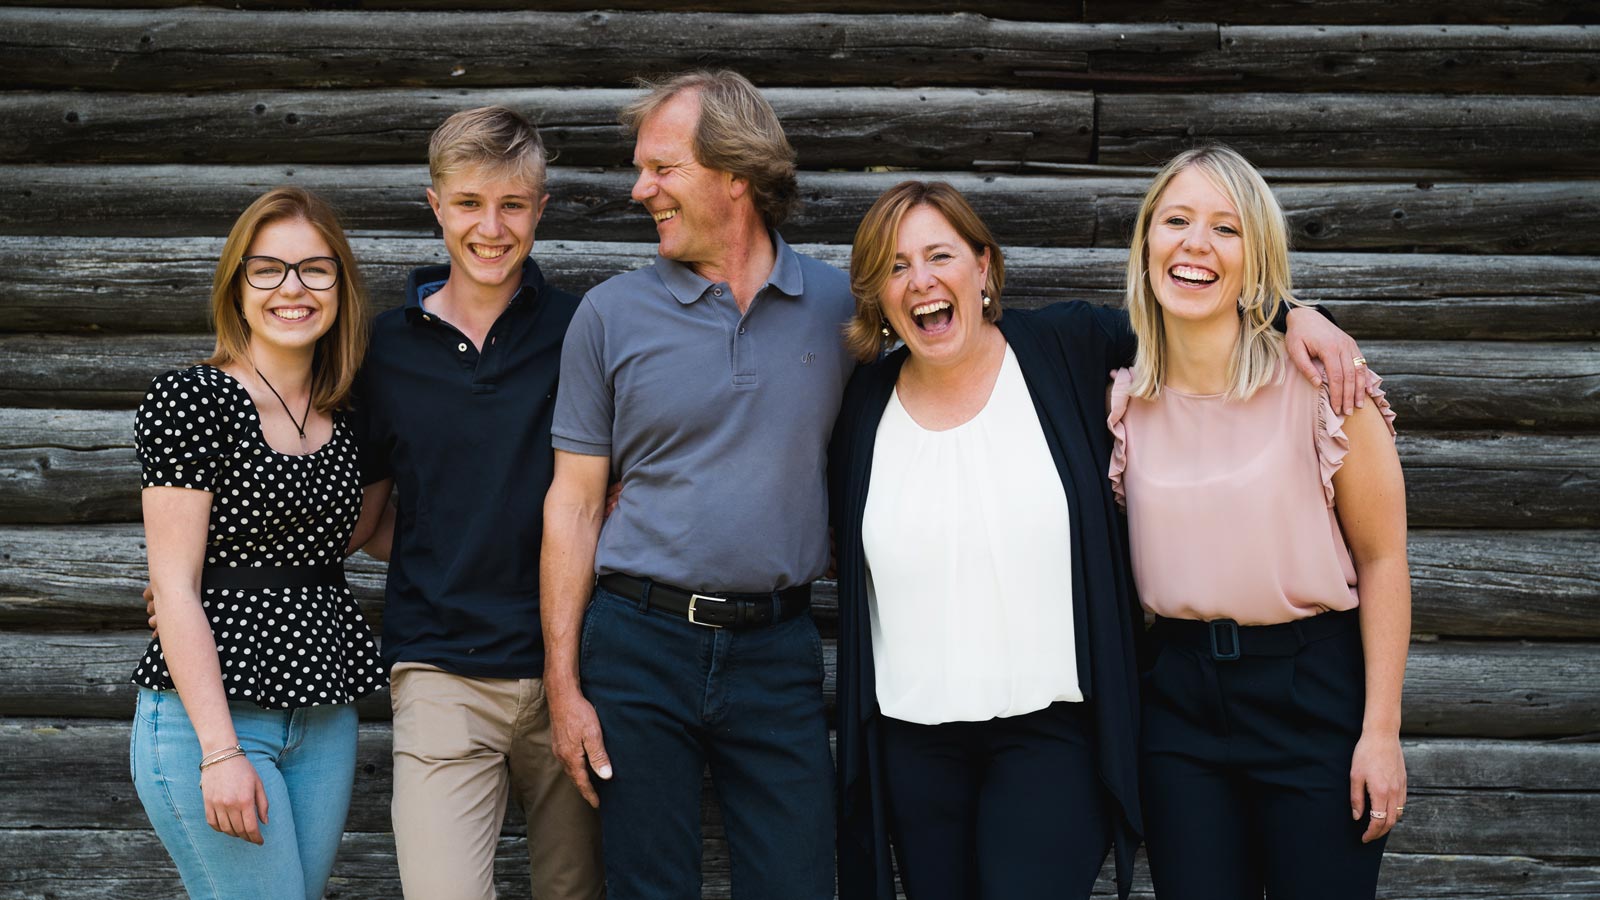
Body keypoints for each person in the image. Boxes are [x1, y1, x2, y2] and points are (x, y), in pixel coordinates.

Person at [827, 181, 1367, 900]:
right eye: (895, 267)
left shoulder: (1068, 349)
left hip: (1052, 738)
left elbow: (1187, 313)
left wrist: (1293, 313)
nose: (920, 281)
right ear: (878, 294)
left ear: (982, 267)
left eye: (938, 256)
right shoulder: (864, 405)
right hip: (913, 744)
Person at [541, 70, 852, 900]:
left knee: (797, 884)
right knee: (649, 889)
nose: (641, 190)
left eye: (664, 168)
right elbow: (572, 504)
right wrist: (564, 685)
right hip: (637, 645)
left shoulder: (839, 305)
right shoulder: (609, 315)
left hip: (780, 651)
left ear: (737, 174)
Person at [1106, 145, 1409, 899]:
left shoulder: (1326, 390)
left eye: (1226, 229)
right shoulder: (1122, 399)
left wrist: (1381, 733)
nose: (1196, 245)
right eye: (1176, 220)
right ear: (1149, 241)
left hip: (1311, 693)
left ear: (1258, 257)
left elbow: (1384, 559)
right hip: (1177, 706)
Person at [351, 106, 605, 900]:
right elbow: (358, 520)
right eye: (469, 203)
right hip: (440, 671)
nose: (490, 228)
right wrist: (205, 578)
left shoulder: (585, 330)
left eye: (512, 205)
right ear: (435, 205)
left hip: (578, 667)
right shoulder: (382, 349)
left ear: (540, 209)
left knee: (575, 891)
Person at [130, 186, 387, 899]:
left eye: (315, 268)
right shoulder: (193, 400)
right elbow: (173, 584)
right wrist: (221, 752)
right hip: (210, 723)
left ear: (341, 282)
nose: (292, 289)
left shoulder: (353, 412)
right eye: (267, 269)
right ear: (236, 285)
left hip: (322, 715)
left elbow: (370, 533)